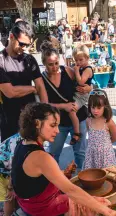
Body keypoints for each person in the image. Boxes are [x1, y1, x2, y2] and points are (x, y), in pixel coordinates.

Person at [11, 103, 116, 216]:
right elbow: (71, 190)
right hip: (40, 211)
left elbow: (33, 180)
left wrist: (63, 173)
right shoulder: (41, 157)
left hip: (27, 205)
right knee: (101, 205)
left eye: (57, 125)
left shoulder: (22, 143)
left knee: (95, 201)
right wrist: (108, 212)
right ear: (36, 124)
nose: (57, 131)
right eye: (53, 125)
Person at [40, 41, 91, 170]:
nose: (54, 67)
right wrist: (64, 106)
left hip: (78, 117)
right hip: (58, 123)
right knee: (53, 154)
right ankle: (54, 184)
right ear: (44, 64)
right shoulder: (42, 79)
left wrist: (89, 87)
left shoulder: (67, 71)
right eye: (50, 64)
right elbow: (44, 104)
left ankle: (82, 179)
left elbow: (85, 82)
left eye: (56, 63)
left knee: (80, 153)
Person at [0, 21, 48, 142]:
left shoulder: (29, 59)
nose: (25, 48)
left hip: (30, 120)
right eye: (21, 44)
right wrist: (32, 89)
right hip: (9, 121)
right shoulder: (1, 61)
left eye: (27, 45)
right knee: (12, 159)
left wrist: (46, 115)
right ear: (11, 37)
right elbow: (10, 92)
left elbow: (41, 86)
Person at [0, 133, 29, 216]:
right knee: (10, 198)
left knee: (16, 194)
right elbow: (14, 168)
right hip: (4, 171)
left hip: (10, 168)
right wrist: (11, 188)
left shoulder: (29, 138)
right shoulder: (21, 142)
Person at [83, 89, 116, 169]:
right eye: (93, 107)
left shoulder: (109, 122)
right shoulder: (88, 121)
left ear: (105, 106)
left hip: (106, 157)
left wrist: (104, 147)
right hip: (91, 155)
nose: (95, 111)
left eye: (99, 108)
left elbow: (114, 138)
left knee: (107, 178)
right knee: (92, 177)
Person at [69, 45, 93, 145]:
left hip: (81, 96)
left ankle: (76, 133)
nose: (78, 63)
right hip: (77, 94)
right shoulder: (82, 68)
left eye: (80, 60)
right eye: (76, 60)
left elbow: (81, 82)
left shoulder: (87, 69)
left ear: (87, 58)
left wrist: (76, 71)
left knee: (72, 111)